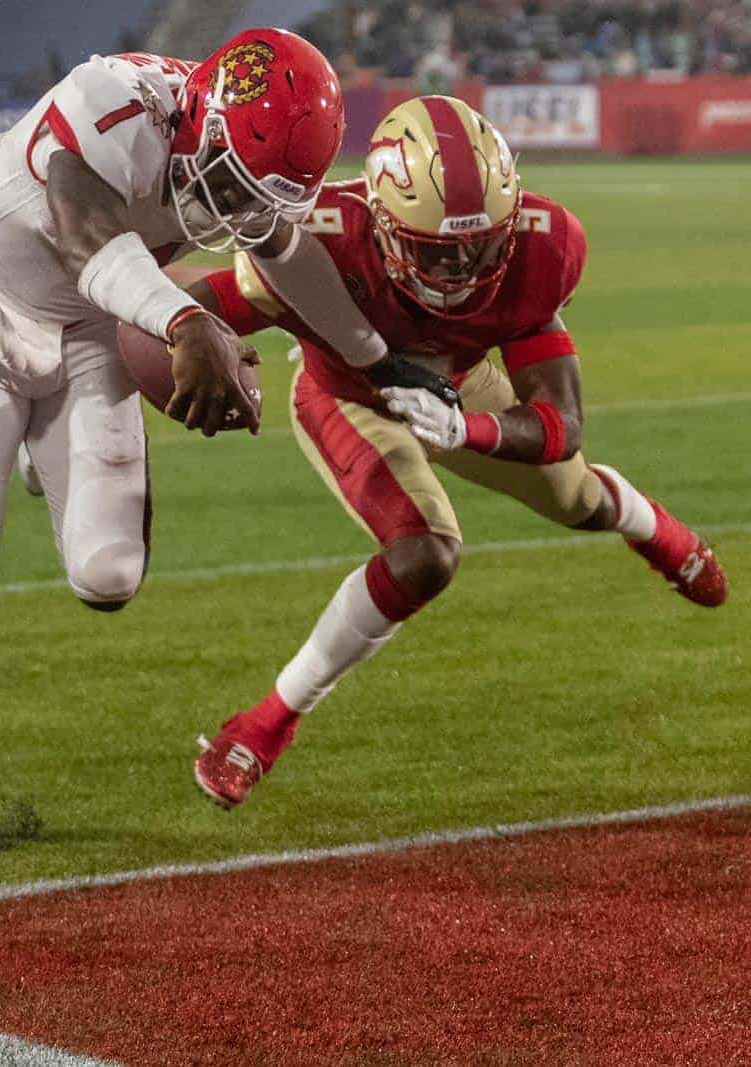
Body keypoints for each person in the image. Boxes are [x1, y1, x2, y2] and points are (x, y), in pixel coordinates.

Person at [0, 28, 449, 860]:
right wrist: (186, 317)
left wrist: (377, 361)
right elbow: (85, 233)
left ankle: (36, 451)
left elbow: (285, 252)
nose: (233, 210)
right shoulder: (109, 102)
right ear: (200, 116)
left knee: (108, 575)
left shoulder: (239, 155)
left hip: (94, 328)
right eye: (232, 182)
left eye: (255, 196)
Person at [186, 97, 728, 808]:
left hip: (461, 390)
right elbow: (186, 309)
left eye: (481, 244)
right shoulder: (322, 240)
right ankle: (266, 723)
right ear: (382, 225)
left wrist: (466, 428)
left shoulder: (542, 246)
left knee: (576, 497)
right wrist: (134, 370)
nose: (464, 267)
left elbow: (561, 420)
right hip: (349, 398)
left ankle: (649, 526)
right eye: (439, 249)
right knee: (426, 554)